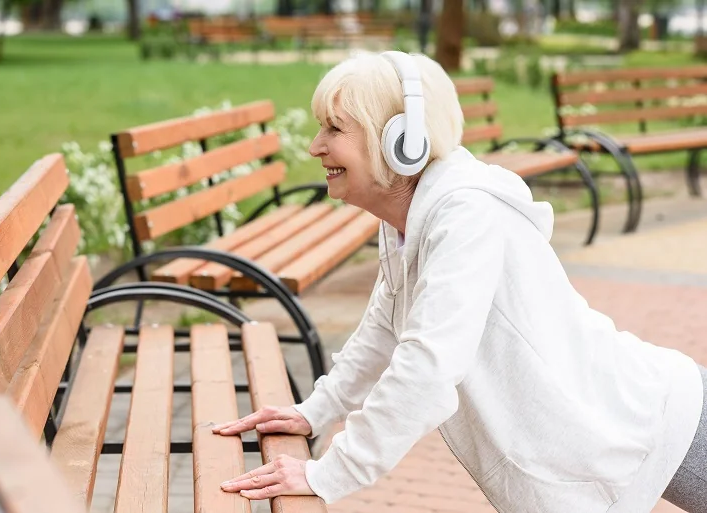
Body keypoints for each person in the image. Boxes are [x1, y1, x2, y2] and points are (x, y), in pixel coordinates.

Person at [212, 50, 707, 512]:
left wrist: (331, 472)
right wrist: (316, 409)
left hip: (653, 420)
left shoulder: (467, 216)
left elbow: (426, 366)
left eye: (335, 129)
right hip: (606, 431)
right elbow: (385, 327)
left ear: (401, 142)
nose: (317, 146)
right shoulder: (408, 219)